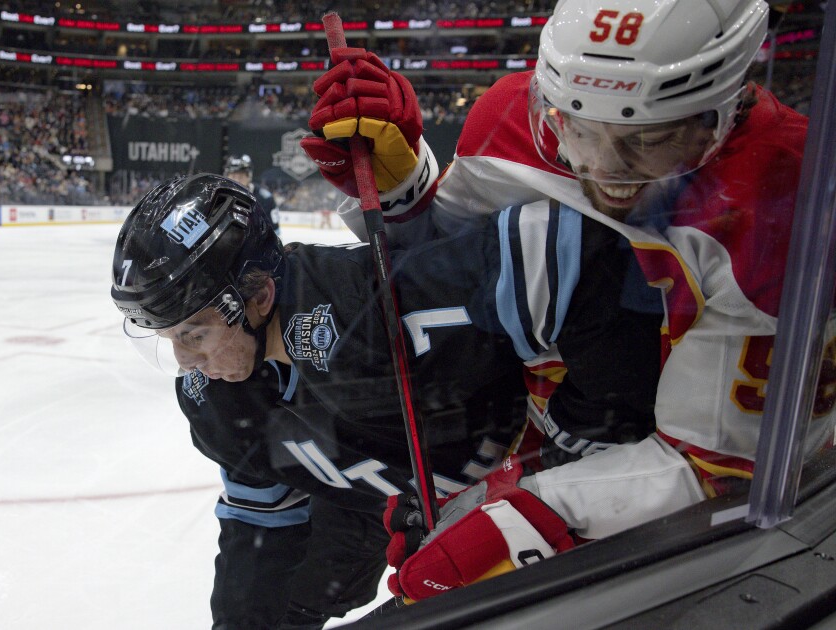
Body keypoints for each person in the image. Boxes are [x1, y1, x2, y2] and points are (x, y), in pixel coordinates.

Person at [302, 0, 831, 602]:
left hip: (668, 510)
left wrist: (521, 517)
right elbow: (449, 271)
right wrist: (404, 193)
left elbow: (718, 467)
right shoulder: (508, 116)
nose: (602, 168)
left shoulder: (786, 199)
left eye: (646, 140)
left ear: (721, 113)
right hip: (549, 425)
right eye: (573, 126)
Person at [111, 173, 663, 626]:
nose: (185, 362)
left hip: (517, 492)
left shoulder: (376, 309)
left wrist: (578, 447)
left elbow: (578, 257)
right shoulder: (218, 404)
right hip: (377, 509)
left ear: (258, 296)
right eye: (169, 340)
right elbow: (260, 527)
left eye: (194, 333)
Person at [223, 154, 280, 236]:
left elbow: (274, 232)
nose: (236, 181)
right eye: (233, 176)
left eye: (241, 176)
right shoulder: (219, 195)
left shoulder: (265, 198)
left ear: (249, 176)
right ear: (227, 176)